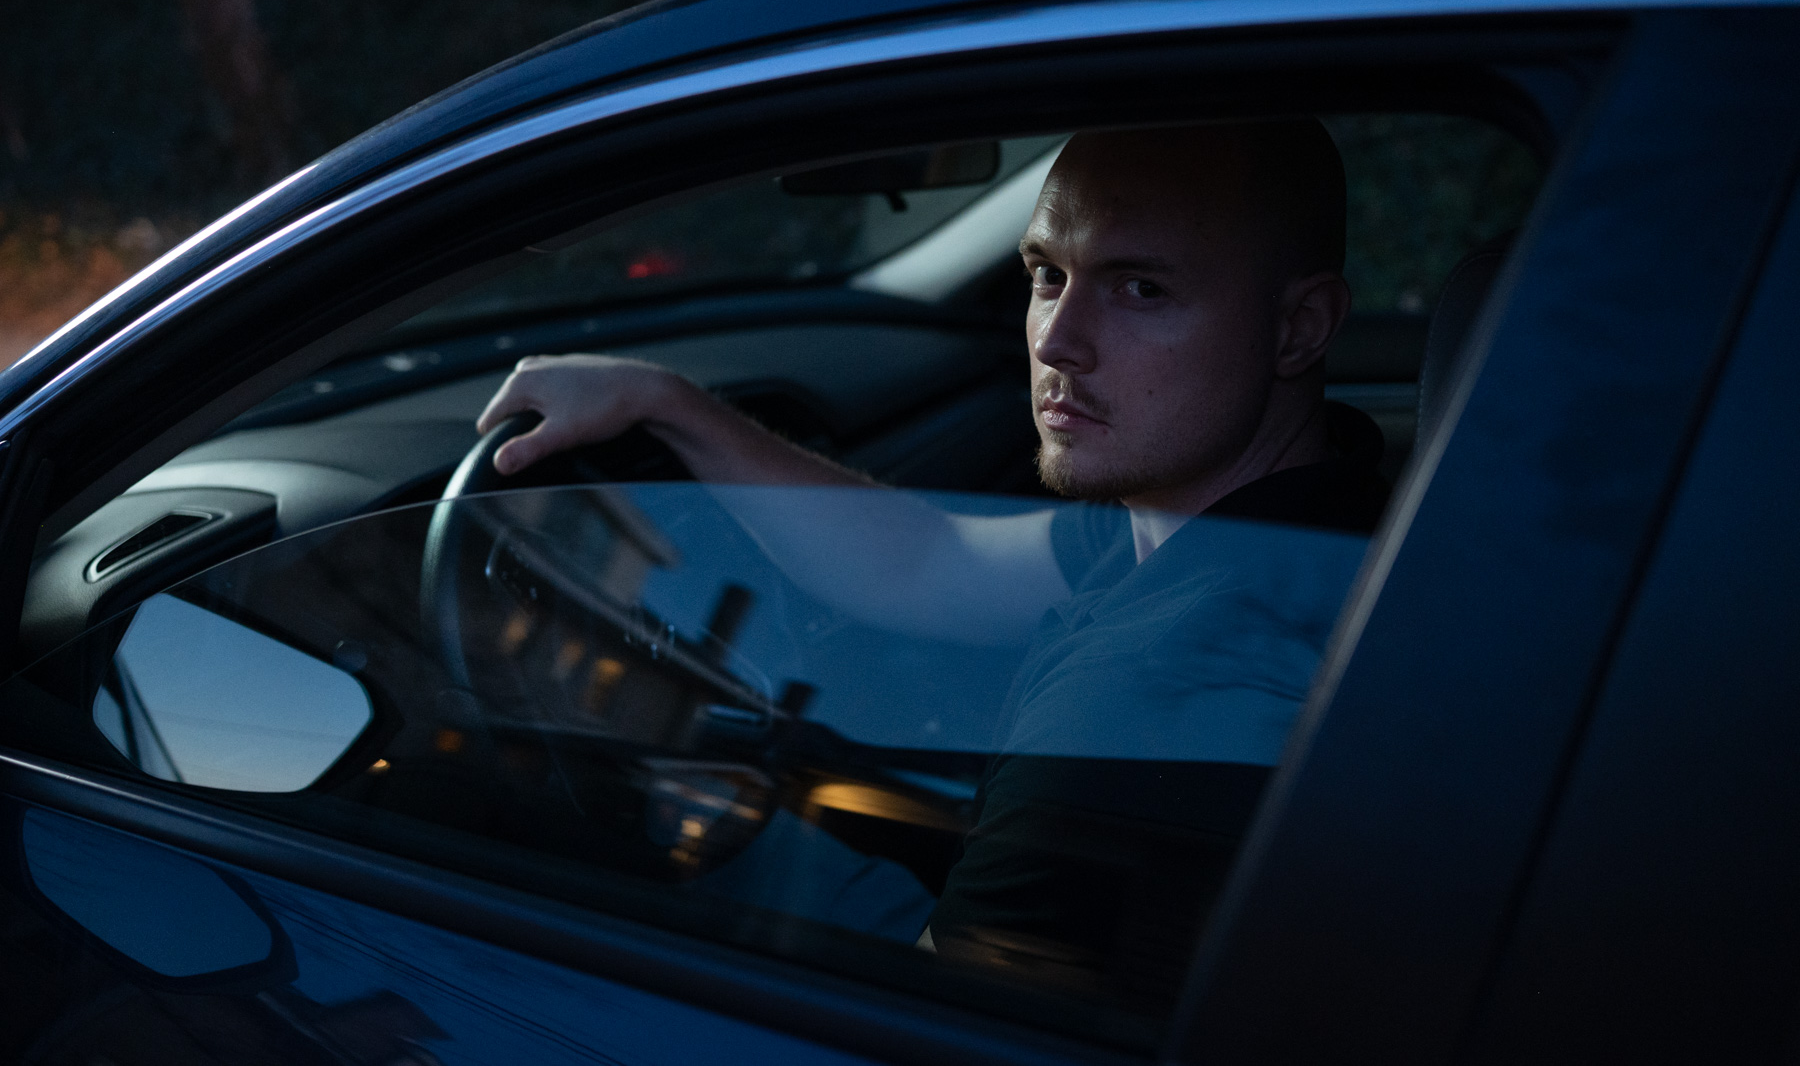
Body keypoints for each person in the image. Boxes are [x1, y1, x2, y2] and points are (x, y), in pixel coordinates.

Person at [477, 120, 1389, 998]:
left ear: (1300, 328)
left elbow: (924, 1025)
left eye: (1139, 287)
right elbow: (930, 558)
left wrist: (691, 828)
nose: (1054, 342)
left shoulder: (1148, 706)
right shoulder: (1280, 514)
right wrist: (666, 401)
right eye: (1045, 274)